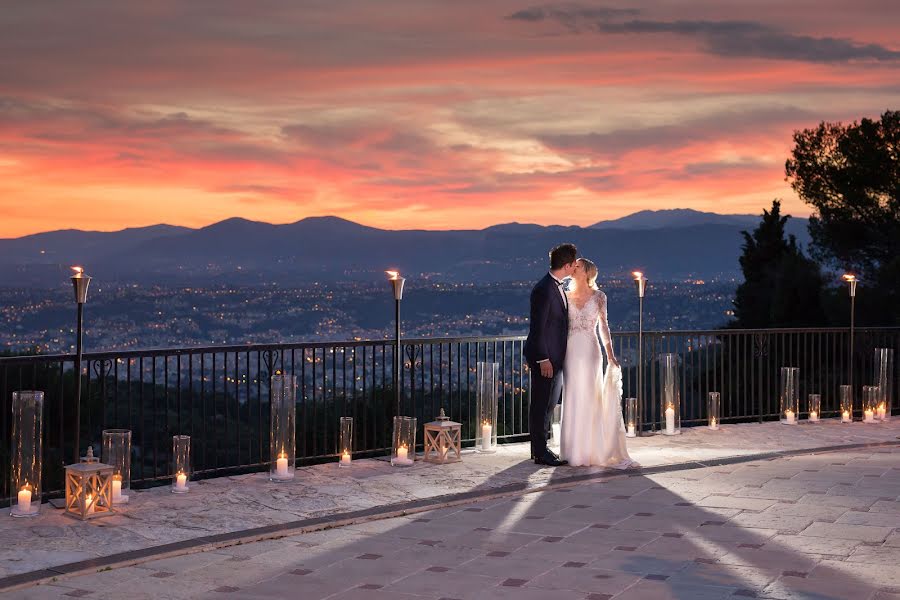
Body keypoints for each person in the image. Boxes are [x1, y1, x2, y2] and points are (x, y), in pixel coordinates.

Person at [560, 258, 637, 469]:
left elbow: (604, 327)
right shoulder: (564, 295)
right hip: (570, 352)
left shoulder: (599, 297)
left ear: (587, 272)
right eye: (573, 266)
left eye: (577, 266)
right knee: (573, 396)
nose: (573, 268)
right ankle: (572, 451)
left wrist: (610, 354)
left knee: (591, 396)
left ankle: (592, 450)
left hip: (592, 351)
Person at [523, 243, 578, 466]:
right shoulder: (544, 289)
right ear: (567, 265)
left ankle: (539, 449)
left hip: (555, 359)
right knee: (541, 405)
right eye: (574, 263)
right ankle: (540, 452)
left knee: (548, 404)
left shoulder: (557, 287)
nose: (576, 266)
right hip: (545, 359)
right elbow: (538, 328)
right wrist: (543, 358)